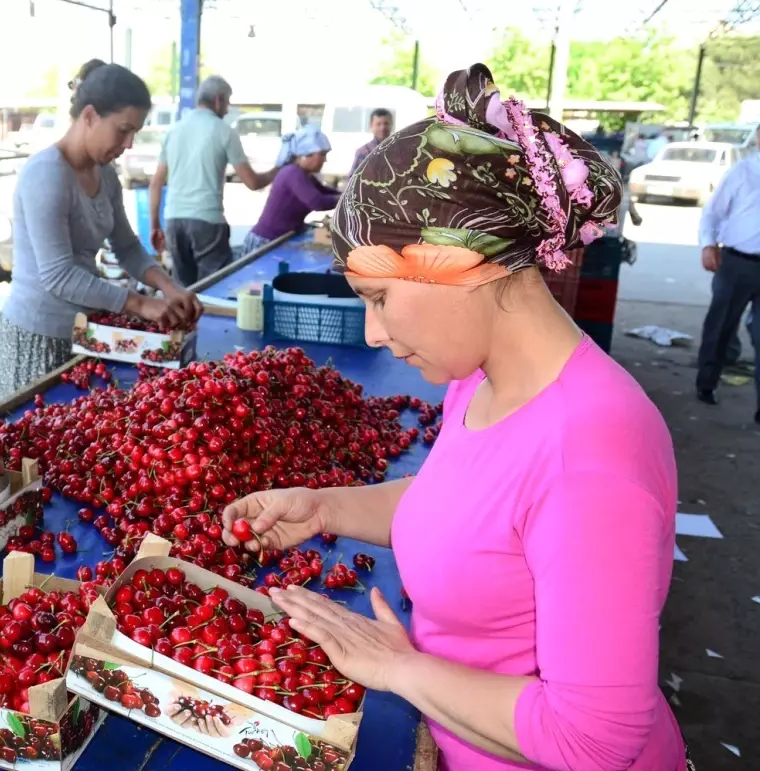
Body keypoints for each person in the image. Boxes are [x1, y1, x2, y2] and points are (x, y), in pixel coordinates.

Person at [223, 64, 688, 771]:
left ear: (462, 262)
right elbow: (473, 506)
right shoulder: (481, 376)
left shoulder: (593, 453)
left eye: (379, 297)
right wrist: (324, 508)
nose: (373, 333)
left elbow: (593, 740)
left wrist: (397, 667)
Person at [0, 63, 201, 400]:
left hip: (83, 335)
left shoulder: (106, 176)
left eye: (135, 132)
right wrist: (139, 304)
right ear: (89, 116)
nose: (129, 143)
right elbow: (58, 275)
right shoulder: (47, 174)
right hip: (35, 341)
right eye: (123, 130)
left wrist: (168, 286)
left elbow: (128, 246)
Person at [148, 75, 277, 285]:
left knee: (183, 292)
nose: (227, 109)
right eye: (227, 102)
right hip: (207, 222)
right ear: (218, 100)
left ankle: (187, 320)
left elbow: (155, 183)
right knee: (214, 290)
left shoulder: (174, 130)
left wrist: (155, 225)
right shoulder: (224, 131)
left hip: (174, 221)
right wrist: (278, 171)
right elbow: (252, 182)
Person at [695, 124, 760, 422]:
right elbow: (713, 213)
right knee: (721, 326)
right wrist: (708, 245)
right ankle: (706, 383)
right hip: (736, 263)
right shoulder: (742, 173)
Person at [241, 126, 340, 254]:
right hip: (266, 243)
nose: (325, 160)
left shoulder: (305, 175)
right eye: (322, 154)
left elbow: (325, 191)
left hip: (282, 238)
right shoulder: (293, 173)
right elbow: (317, 202)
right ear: (307, 154)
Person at [348, 108, 393, 179]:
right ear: (371, 126)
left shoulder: (399, 151)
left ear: (391, 125)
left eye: (386, 123)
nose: (383, 128)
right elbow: (353, 180)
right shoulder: (363, 152)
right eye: (378, 124)